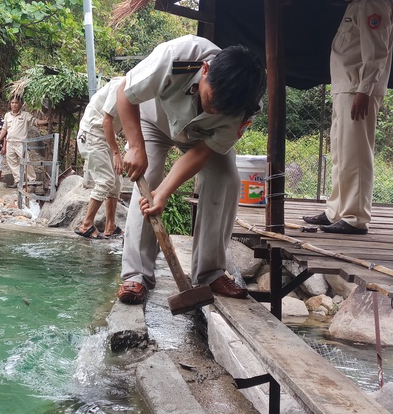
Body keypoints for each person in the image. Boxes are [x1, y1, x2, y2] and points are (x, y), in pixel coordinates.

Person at [115, 35, 266, 304]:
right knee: (147, 179)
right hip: (153, 121)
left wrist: (164, 193)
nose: (214, 108)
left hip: (200, 138)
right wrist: (136, 146)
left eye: (222, 109)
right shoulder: (177, 56)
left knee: (226, 178)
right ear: (205, 70)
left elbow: (203, 152)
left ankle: (210, 273)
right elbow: (125, 93)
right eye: (211, 99)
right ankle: (136, 276)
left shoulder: (246, 106)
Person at [303, 0, 393, 235]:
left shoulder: (371, 2)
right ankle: (336, 210)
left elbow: (376, 53)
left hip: (358, 90)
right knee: (341, 152)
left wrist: (364, 91)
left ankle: (355, 217)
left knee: (355, 153)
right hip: (347, 89)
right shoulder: (359, 2)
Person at [74, 77, 125, 240]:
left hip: (104, 137)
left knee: (116, 182)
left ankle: (110, 226)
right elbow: (106, 121)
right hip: (92, 134)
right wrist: (117, 152)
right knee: (105, 180)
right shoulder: (120, 85)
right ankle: (86, 225)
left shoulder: (139, 96)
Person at [0, 96, 49, 188]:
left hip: (20, 143)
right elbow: (4, 129)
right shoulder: (7, 115)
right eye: (12, 102)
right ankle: (18, 181)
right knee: (12, 163)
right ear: (10, 104)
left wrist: (46, 121)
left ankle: (32, 180)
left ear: (20, 104)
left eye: (16, 103)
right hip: (10, 142)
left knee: (26, 161)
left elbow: (35, 121)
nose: (14, 104)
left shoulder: (25, 115)